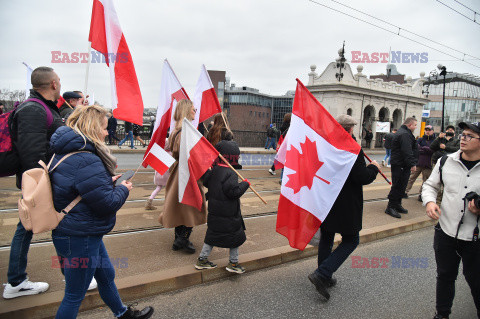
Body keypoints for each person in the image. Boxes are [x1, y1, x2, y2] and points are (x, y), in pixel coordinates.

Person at [48, 105, 153, 319]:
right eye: (104, 128)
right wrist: (123, 189)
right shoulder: (87, 159)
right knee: (74, 294)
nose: (107, 132)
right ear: (93, 128)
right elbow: (106, 203)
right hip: (80, 236)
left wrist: (107, 182)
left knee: (106, 276)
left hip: (80, 231)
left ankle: (122, 314)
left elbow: (81, 188)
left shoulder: (67, 151)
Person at [3, 67, 64, 299]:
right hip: (41, 182)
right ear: (53, 84)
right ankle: (17, 282)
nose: (60, 84)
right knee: (49, 226)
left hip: (41, 180)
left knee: (28, 226)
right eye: (59, 80)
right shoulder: (34, 110)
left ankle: (16, 280)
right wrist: (42, 186)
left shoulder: (42, 108)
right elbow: (32, 154)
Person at [308, 115, 380, 300]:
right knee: (351, 240)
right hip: (346, 203)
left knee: (327, 237)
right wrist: (373, 168)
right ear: (349, 129)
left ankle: (325, 275)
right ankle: (323, 273)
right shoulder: (352, 148)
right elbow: (361, 177)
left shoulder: (325, 144)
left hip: (326, 199)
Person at [422, 121, 480, 319]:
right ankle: (442, 315)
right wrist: (429, 202)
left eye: (470, 136)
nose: (463, 138)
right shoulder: (446, 161)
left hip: (475, 238)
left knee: (476, 281)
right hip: (445, 232)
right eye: (463, 134)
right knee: (445, 277)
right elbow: (430, 186)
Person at [195, 140, 250, 274]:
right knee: (234, 238)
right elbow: (233, 192)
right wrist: (245, 184)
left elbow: (207, 182)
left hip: (215, 211)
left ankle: (202, 260)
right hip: (229, 213)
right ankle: (233, 263)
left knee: (212, 235)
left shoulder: (215, 170)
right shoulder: (230, 173)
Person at [160, 100, 207, 254]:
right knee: (193, 205)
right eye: (194, 109)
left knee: (180, 206)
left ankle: (178, 240)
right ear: (187, 110)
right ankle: (183, 239)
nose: (196, 111)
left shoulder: (176, 130)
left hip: (178, 172)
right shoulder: (184, 132)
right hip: (186, 173)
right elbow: (188, 155)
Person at [385, 117, 418, 219]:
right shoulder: (404, 134)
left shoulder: (405, 133)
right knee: (398, 185)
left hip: (402, 164)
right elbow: (406, 150)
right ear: (410, 125)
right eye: (415, 125)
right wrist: (412, 163)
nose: (416, 127)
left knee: (402, 185)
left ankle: (397, 204)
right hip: (400, 164)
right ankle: (391, 206)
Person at [405, 125, 435, 202]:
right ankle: (405, 192)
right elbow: (416, 148)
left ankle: (421, 194)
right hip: (419, 162)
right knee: (411, 178)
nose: (427, 131)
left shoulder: (435, 140)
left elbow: (433, 150)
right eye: (426, 130)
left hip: (428, 164)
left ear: (432, 131)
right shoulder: (420, 139)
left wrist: (423, 148)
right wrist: (426, 149)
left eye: (429, 130)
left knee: (426, 181)